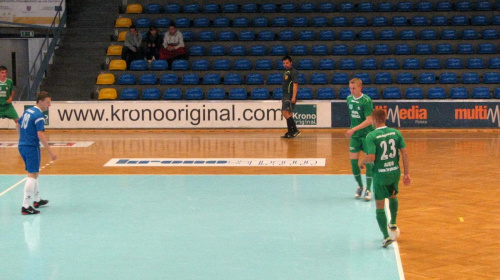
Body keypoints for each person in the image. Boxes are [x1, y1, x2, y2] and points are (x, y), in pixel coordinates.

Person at [359, 109, 411, 247]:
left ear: (374, 120)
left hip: (381, 174)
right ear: (385, 118)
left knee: (379, 206)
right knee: (393, 196)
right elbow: (405, 153)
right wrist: (406, 173)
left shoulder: (372, 136)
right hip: (394, 172)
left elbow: (371, 157)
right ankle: (393, 222)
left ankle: (386, 236)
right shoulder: (396, 133)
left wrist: (362, 161)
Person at [17, 91, 57, 215]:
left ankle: (37, 200)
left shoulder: (28, 111)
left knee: (34, 173)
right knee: (32, 175)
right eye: (47, 102)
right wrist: (50, 152)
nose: (49, 105)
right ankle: (26, 206)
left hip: (22, 146)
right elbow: (40, 134)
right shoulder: (39, 115)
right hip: (31, 147)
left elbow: (18, 124)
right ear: (40, 102)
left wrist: (22, 138)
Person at [345, 78, 374, 200]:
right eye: (350, 88)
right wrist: (354, 130)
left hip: (367, 135)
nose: (352, 90)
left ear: (360, 87)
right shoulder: (349, 99)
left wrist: (353, 129)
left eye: (354, 88)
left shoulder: (366, 101)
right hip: (355, 136)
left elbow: (369, 120)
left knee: (369, 163)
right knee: (353, 163)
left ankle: (368, 189)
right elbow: (354, 118)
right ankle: (360, 186)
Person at [281, 55, 300, 139]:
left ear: (291, 63)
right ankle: (290, 132)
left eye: (287, 63)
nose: (285, 64)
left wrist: (293, 97)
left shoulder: (293, 71)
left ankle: (295, 130)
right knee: (288, 114)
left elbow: (295, 84)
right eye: (284, 63)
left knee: (285, 113)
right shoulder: (286, 72)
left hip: (289, 95)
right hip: (285, 94)